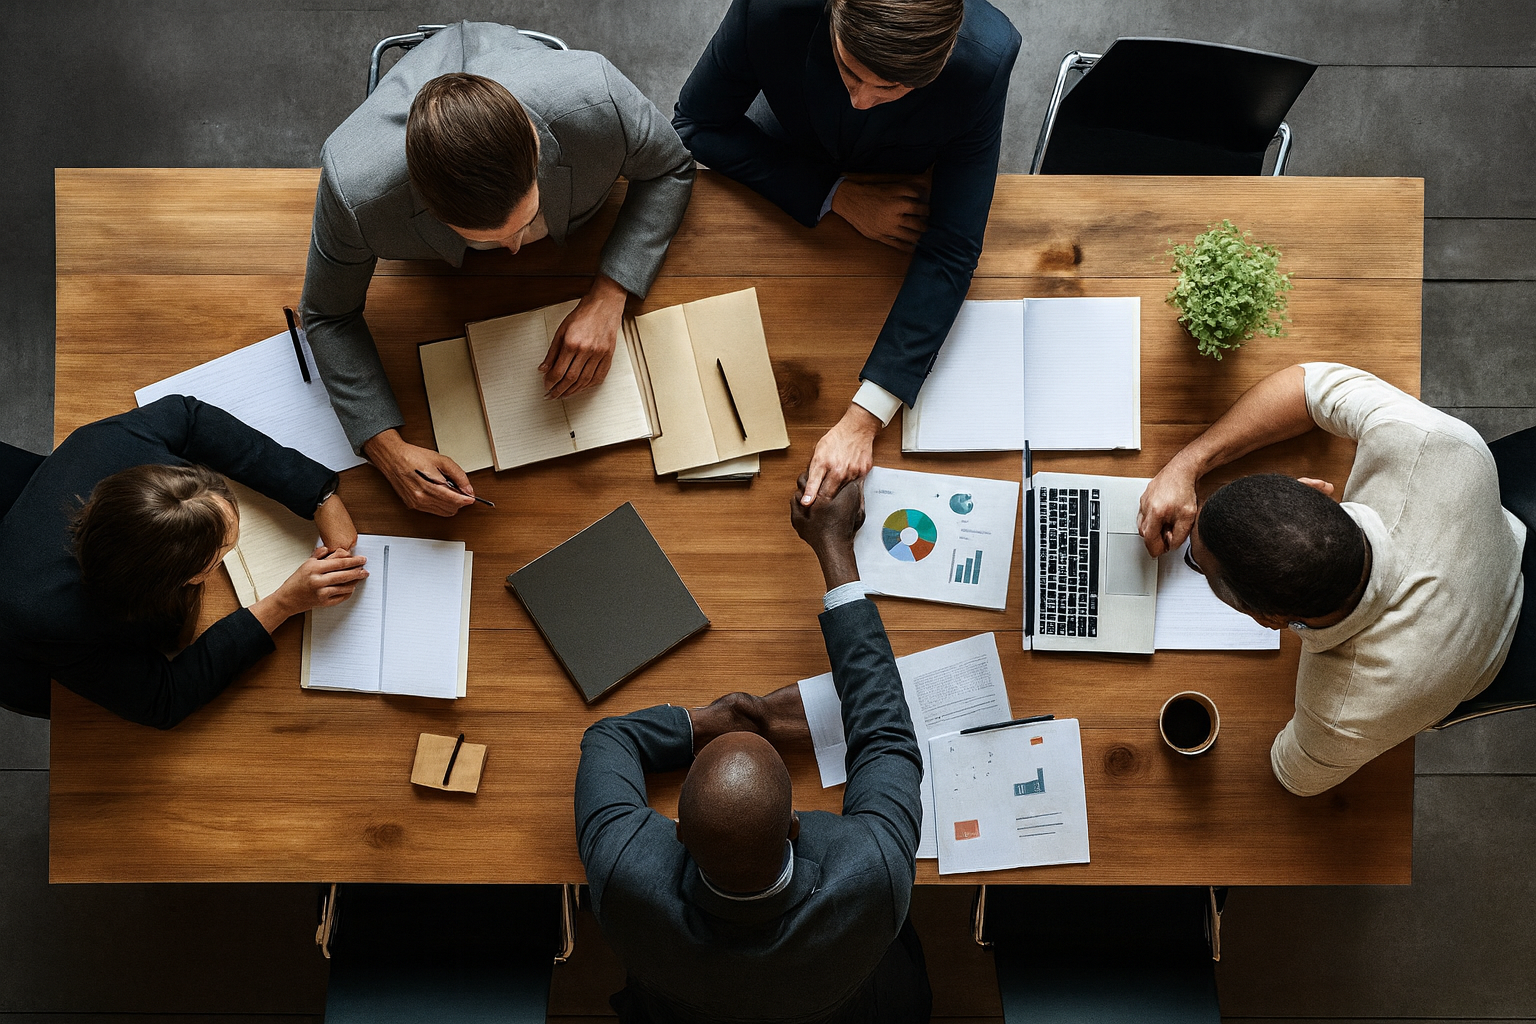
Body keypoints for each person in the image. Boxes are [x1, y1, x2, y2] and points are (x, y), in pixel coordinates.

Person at [574, 475, 931, 1023]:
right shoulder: (872, 873)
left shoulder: (625, 873)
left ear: (679, 833)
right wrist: (834, 547)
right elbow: (886, 738)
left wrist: (715, 721)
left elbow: (609, 738)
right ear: (793, 826)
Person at [302, 21, 696, 516]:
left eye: (526, 221)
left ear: (535, 144)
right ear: (424, 205)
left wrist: (609, 294)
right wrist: (386, 449)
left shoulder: (597, 99)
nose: (513, 250)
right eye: (483, 239)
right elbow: (325, 315)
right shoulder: (355, 193)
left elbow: (672, 166)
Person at [673, 0, 1020, 508]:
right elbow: (696, 124)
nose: (861, 100)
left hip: (905, 174)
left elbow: (953, 246)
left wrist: (865, 417)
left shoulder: (986, 58)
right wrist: (835, 194)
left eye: (891, 88)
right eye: (850, 71)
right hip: (789, 150)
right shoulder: (769, 10)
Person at [1137, 363, 1527, 796]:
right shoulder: (1435, 442)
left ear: (1269, 619)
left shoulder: (1340, 715)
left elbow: (1293, 775)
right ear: (1316, 488)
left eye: (1198, 567)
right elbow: (1307, 385)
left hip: (1493, 665)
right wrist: (1186, 466)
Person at [0, 396, 369, 728]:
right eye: (220, 556)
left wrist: (319, 496)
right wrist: (283, 603)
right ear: (174, 581)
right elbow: (165, 699)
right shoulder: (50, 617)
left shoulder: (115, 441)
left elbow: (191, 418)